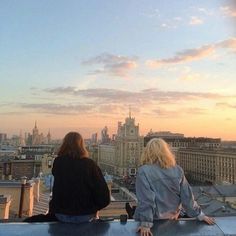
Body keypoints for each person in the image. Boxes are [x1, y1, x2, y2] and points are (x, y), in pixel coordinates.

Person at [134, 138, 215, 236]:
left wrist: (146, 224)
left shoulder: (143, 171)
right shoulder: (177, 170)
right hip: (172, 220)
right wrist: (200, 215)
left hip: (152, 223)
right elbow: (187, 197)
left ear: (147, 152)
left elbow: (146, 199)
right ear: (166, 152)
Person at [50, 132, 110, 223]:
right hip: (85, 215)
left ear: (64, 144)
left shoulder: (58, 163)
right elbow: (104, 196)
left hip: (61, 215)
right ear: (82, 145)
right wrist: (94, 208)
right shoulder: (89, 164)